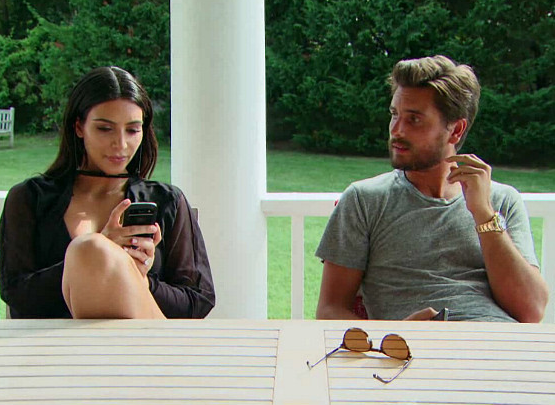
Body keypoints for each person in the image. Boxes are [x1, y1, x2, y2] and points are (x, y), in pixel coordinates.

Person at [315, 55, 549, 322]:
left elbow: (532, 311)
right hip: (416, 346)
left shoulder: (501, 201)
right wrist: (394, 337)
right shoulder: (365, 200)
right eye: (394, 115)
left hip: (499, 342)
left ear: (456, 130)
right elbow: (329, 310)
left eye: (414, 119)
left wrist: (484, 215)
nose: (396, 130)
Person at [0, 66, 215, 319]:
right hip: (58, 343)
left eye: (132, 130)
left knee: (91, 249)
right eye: (105, 128)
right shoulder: (29, 199)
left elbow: (198, 302)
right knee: (90, 249)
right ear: (79, 127)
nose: (120, 144)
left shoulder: (168, 202)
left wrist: (137, 278)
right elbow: (16, 293)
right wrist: (97, 256)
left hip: (148, 342)